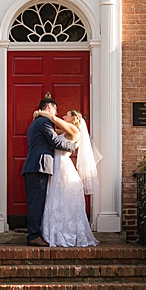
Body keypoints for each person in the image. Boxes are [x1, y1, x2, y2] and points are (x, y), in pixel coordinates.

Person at [33, 106, 98, 247]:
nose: (63, 116)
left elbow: (54, 118)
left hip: (62, 165)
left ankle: (67, 233)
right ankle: (54, 232)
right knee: (55, 198)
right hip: (55, 166)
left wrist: (40, 113)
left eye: (67, 114)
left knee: (63, 198)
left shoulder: (75, 130)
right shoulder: (65, 131)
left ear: (74, 118)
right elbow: (50, 132)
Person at [21, 95, 75, 246]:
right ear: (49, 107)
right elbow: (56, 142)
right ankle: (34, 235)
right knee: (36, 202)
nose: (57, 114)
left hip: (34, 166)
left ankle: (34, 232)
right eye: (56, 110)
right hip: (39, 166)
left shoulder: (36, 122)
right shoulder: (44, 122)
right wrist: (72, 147)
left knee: (34, 202)